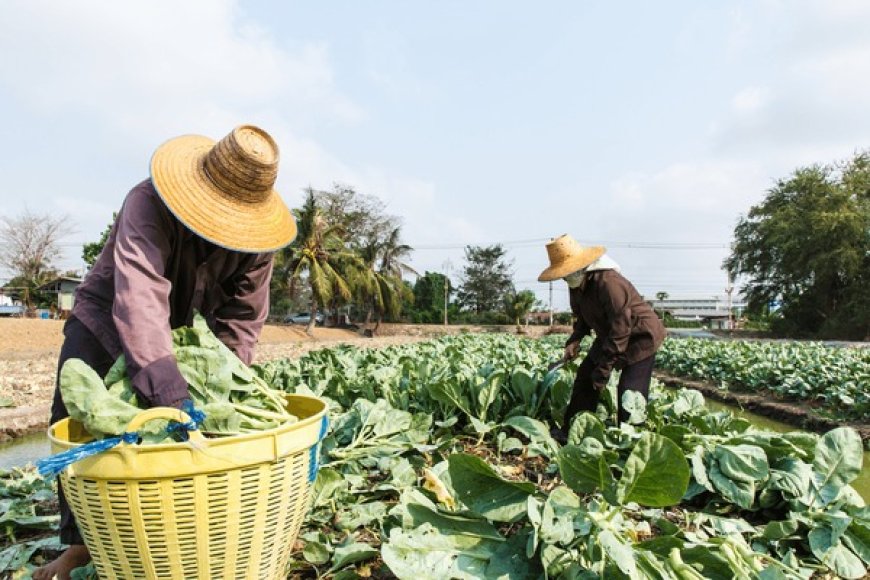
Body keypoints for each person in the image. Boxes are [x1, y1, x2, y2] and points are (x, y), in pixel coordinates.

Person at [34, 125, 297, 580]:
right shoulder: (148, 202)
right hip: (109, 320)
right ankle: (80, 546)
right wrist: (173, 399)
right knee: (79, 418)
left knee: (204, 433)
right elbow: (140, 297)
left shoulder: (257, 246)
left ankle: (195, 530)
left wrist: (223, 395)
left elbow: (240, 321)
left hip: (188, 335)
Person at [538, 234, 666, 442]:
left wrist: (604, 371)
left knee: (629, 392)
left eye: (568, 272)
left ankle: (630, 442)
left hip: (641, 336)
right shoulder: (576, 286)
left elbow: (621, 327)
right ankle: (571, 430)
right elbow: (582, 318)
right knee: (585, 378)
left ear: (583, 267)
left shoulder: (609, 283)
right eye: (563, 274)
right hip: (610, 334)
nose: (566, 278)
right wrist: (575, 339)